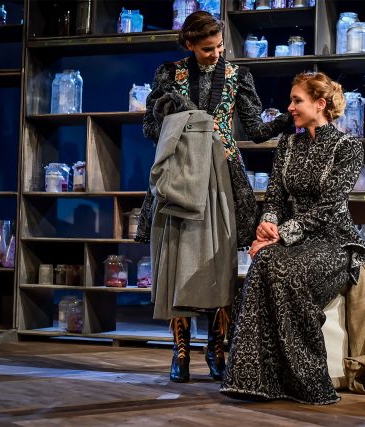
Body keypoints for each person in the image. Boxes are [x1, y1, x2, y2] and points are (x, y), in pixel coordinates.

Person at [142, 11, 293, 384]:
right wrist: (174, 120)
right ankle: (180, 352)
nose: (216, 54)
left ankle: (216, 348)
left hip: (222, 175)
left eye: (220, 46)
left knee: (220, 259)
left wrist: (290, 119)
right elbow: (149, 129)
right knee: (177, 258)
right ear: (189, 44)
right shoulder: (169, 74)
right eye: (207, 48)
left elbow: (255, 130)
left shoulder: (238, 76)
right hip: (181, 174)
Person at [220, 72, 365, 404]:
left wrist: (281, 235)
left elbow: (329, 207)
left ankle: (309, 382)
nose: (289, 107)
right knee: (263, 263)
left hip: (334, 242)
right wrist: (267, 226)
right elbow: (274, 198)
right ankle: (253, 381)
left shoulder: (348, 147)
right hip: (291, 241)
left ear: (320, 104)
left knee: (284, 269)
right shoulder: (288, 145)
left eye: (296, 101)